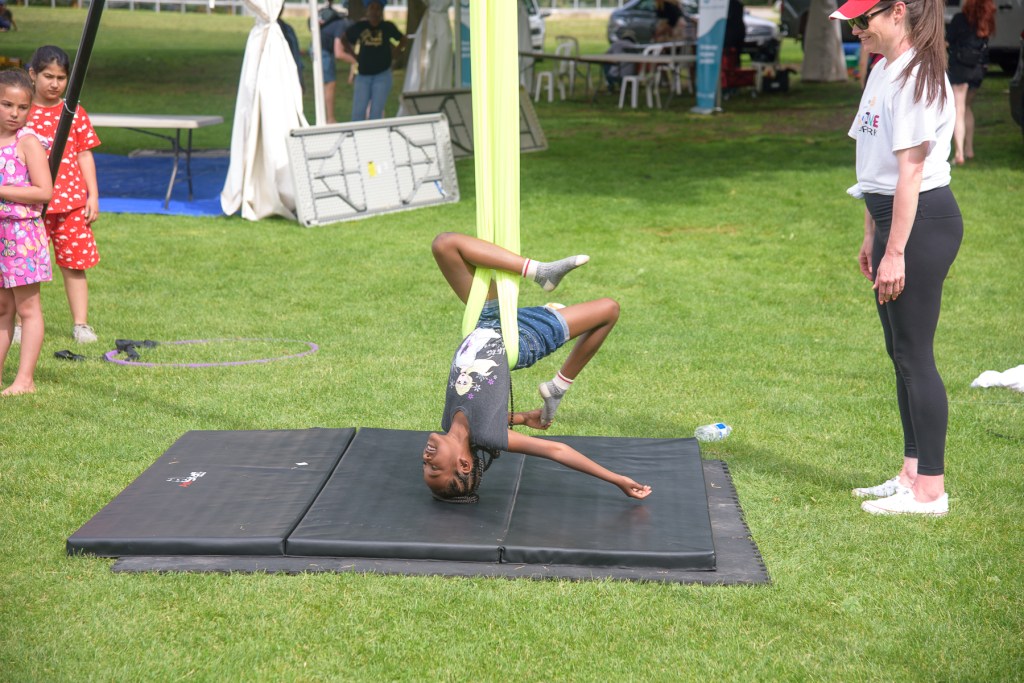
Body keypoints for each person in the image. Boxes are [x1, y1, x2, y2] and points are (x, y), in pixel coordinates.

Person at [831, 0, 962, 515]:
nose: (856, 30)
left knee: (915, 355)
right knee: (900, 353)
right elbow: (875, 165)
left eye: (862, 20)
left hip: (921, 222)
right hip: (893, 218)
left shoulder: (917, 78)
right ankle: (911, 473)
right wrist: (872, 234)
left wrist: (897, 251)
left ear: (898, 12)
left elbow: (910, 172)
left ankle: (930, 490)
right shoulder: (883, 71)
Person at [424, 232, 652, 504]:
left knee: (444, 245)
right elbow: (556, 450)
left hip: (485, 322)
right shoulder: (490, 436)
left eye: (424, 465)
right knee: (608, 310)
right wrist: (617, 479)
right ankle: (558, 387)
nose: (426, 459)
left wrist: (523, 418)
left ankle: (541, 275)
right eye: (434, 467)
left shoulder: (450, 423)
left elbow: (483, 411)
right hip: (520, 341)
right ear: (464, 465)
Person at [23, 45, 102, 345]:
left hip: (71, 204)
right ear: (33, 74)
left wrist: (92, 195)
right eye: (48, 76)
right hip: (31, 206)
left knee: (74, 265)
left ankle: (81, 324)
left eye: (61, 77)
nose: (55, 84)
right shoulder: (22, 110)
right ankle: (19, 323)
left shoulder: (74, 112)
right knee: (26, 267)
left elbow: (84, 154)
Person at [0, 69, 54, 396]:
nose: (14, 113)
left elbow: (44, 191)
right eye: (7, 105)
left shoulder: (28, 142)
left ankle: (25, 380)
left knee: (27, 309)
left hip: (21, 236)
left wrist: (2, 190)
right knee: (2, 309)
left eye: (22, 107)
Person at [946, 0, 995, 164]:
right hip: (978, 69)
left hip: (960, 68)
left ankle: (959, 153)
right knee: (967, 107)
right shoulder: (986, 21)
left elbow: (948, 40)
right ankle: (969, 149)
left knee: (958, 109)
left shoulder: (959, 19)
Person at [342, 0, 407, 121]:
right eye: (372, 7)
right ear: (367, 10)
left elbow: (403, 39)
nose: (375, 11)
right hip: (363, 76)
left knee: (376, 112)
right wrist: (354, 55)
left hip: (382, 75)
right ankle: (357, 133)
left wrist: (395, 53)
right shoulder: (360, 27)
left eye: (378, 8)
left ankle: (375, 133)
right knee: (358, 112)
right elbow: (344, 38)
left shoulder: (387, 27)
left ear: (382, 11)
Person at [317, 5, 355, 123]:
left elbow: (345, 47)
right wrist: (356, 61)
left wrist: (353, 59)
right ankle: (330, 119)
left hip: (320, 49)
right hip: (322, 51)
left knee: (326, 84)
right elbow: (339, 53)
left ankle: (326, 118)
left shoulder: (340, 24)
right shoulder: (342, 25)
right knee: (330, 84)